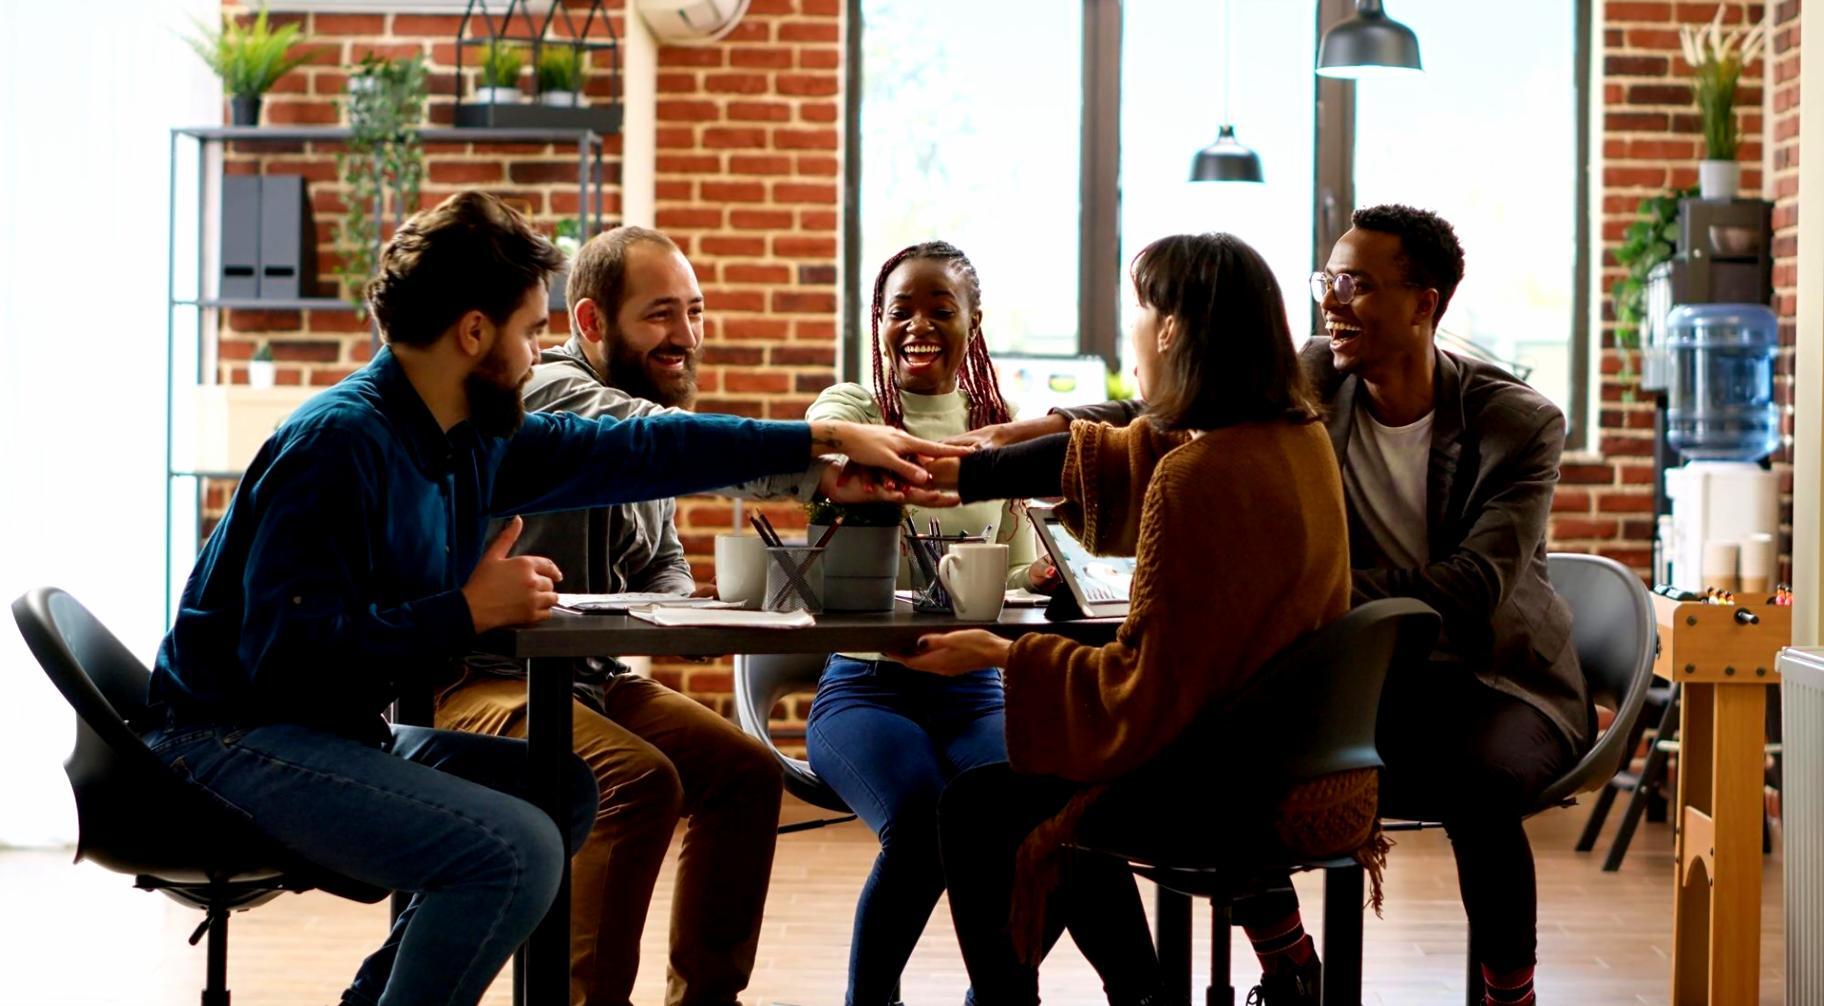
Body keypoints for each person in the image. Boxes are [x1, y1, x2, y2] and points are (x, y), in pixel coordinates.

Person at [138, 191, 963, 1006]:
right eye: (531, 331)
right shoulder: (339, 444)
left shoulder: (467, 436)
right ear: (473, 334)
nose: (537, 356)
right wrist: (466, 611)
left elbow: (639, 448)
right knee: (516, 852)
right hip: (227, 740)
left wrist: (818, 450)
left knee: (561, 790)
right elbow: (283, 659)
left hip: (322, 729)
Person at [953, 206, 1590, 1006]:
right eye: (1327, 280)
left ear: (1424, 304)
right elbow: (1193, 409)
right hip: (1353, 662)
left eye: (1356, 284)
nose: (1333, 301)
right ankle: (1287, 956)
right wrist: (1045, 428)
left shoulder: (1516, 421)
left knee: (1478, 782)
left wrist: (1281, 581)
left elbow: (1472, 587)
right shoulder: (1316, 375)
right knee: (1236, 722)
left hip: (1490, 670)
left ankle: (1510, 992)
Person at [434, 224, 948, 1006]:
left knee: (744, 772)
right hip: (476, 679)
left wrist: (700, 606)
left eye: (695, 312)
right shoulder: (554, 393)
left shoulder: (646, 403)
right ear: (589, 324)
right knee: (634, 781)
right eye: (661, 315)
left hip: (586, 679)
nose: (686, 336)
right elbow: (653, 444)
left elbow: (659, 562)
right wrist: (821, 452)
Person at [800, 241, 1054, 1006]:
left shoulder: (1001, 432)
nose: (919, 324)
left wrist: (1034, 574)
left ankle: (1000, 999)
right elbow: (824, 443)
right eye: (900, 309)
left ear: (972, 324)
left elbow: (1005, 572)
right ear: (877, 321)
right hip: (866, 688)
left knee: (1037, 816)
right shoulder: (853, 407)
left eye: (940, 309)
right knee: (919, 825)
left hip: (976, 688)